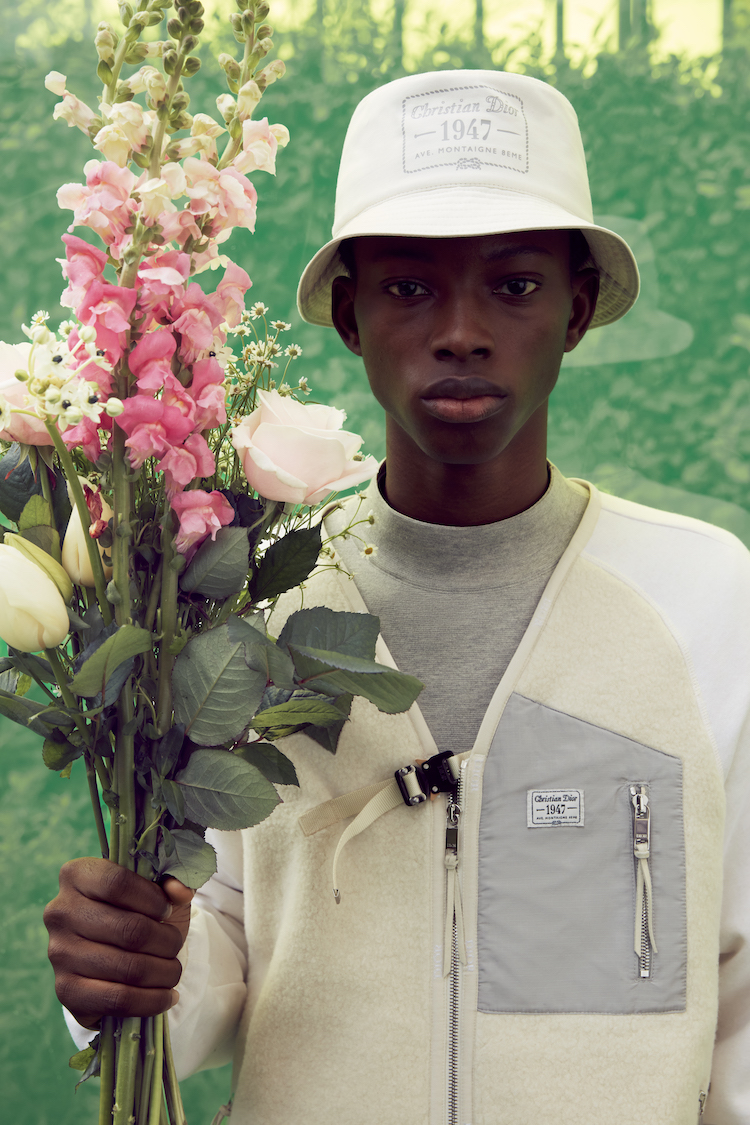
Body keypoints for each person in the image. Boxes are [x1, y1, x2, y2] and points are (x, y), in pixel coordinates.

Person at [44, 70, 750, 1124]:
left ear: (576, 309)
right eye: (410, 287)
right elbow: (206, 976)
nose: (461, 331)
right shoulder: (235, 596)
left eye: (515, 285)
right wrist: (122, 971)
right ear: (349, 313)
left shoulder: (708, 598)